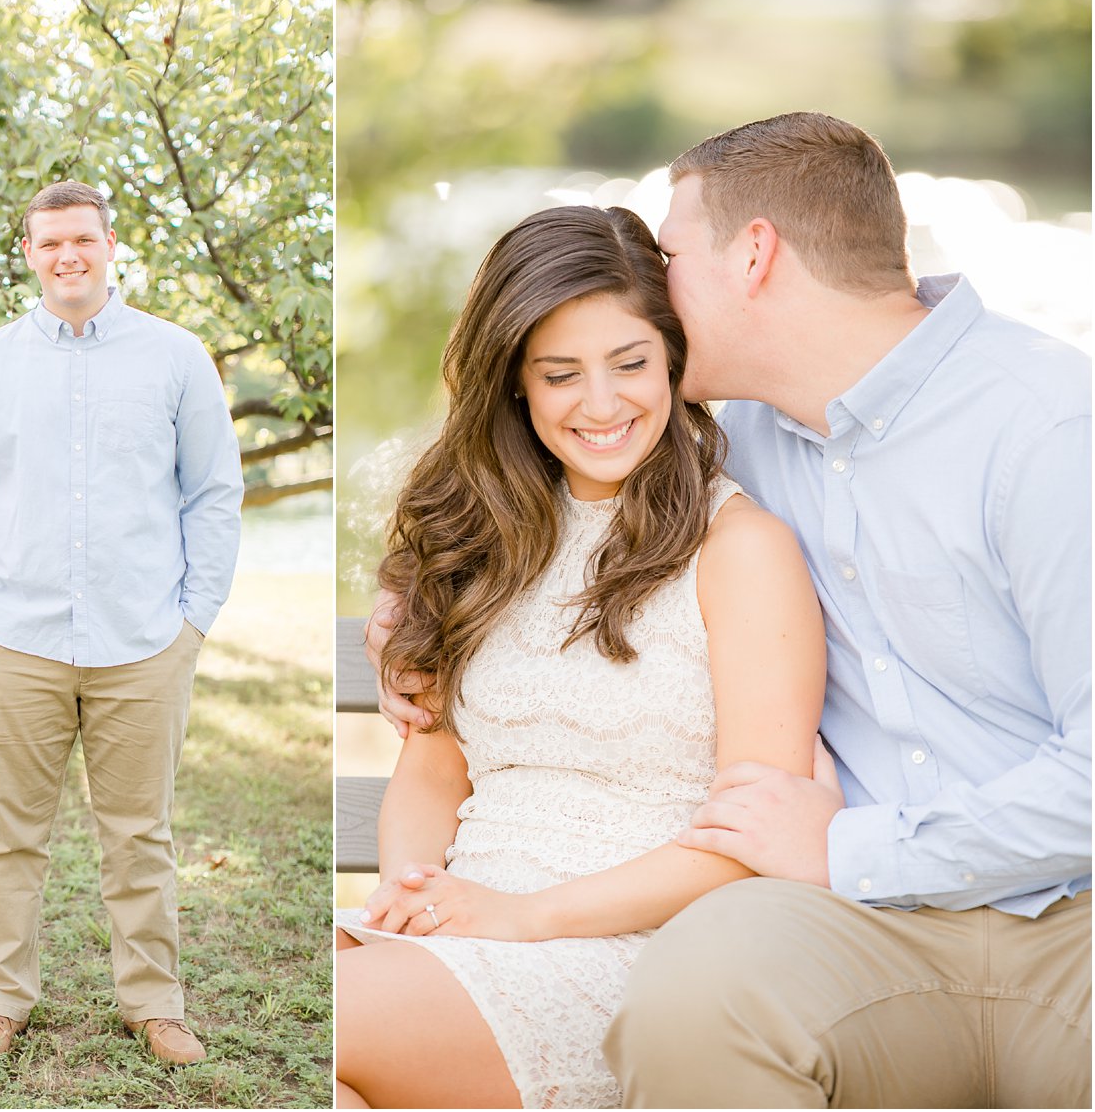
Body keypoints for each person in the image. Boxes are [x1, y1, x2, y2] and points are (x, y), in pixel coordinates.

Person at [374, 113, 1093, 1107]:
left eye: (668, 253)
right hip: (855, 920)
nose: (653, 295)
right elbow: (550, 466)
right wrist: (411, 595)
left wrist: (848, 846)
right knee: (695, 996)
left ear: (751, 255)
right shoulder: (747, 427)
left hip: (1063, 912)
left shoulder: (1049, 424)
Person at [335, 204, 828, 1108]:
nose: (601, 405)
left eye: (631, 363)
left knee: (325, 1026)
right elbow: (435, 765)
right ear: (514, 383)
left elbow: (750, 838)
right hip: (468, 926)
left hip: (630, 954)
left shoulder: (739, 549)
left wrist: (523, 919)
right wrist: (416, 894)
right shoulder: (483, 540)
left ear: (676, 362)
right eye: (560, 374)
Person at [0, 180, 243, 1065]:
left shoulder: (176, 357)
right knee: (7, 833)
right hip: (12, 637)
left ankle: (153, 1002)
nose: (68, 255)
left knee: (141, 835)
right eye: (49, 242)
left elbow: (213, 494)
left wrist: (194, 621)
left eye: (83, 240)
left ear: (110, 244)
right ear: (27, 252)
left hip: (144, 639)